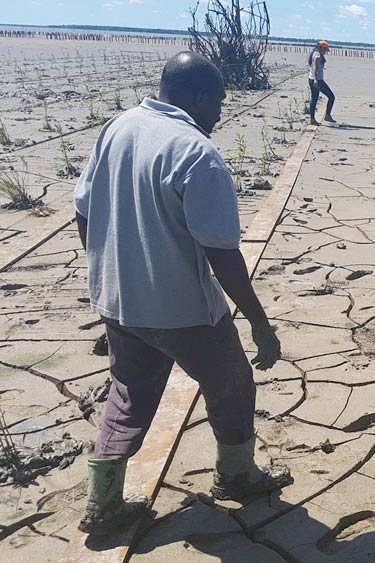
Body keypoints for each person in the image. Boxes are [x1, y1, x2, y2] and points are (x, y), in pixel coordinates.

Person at [73, 52, 291, 535]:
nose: (218, 114)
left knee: (128, 393)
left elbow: (84, 211)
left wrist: (107, 271)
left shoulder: (120, 127)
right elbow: (222, 253)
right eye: (216, 103)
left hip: (118, 301)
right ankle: (236, 475)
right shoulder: (196, 153)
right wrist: (258, 320)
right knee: (231, 384)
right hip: (181, 310)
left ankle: (103, 500)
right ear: (198, 98)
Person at [308, 40, 335, 126]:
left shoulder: (314, 53)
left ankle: (313, 119)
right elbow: (315, 67)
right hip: (317, 80)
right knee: (331, 96)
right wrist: (316, 80)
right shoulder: (318, 55)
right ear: (321, 48)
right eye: (325, 50)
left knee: (314, 99)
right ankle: (327, 115)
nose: (325, 52)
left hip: (311, 79)